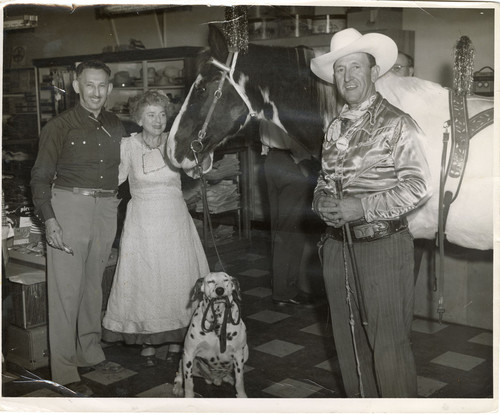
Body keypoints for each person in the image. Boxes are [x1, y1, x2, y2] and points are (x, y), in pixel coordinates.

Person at [310, 28, 431, 398]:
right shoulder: (334, 127)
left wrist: (360, 207)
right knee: (348, 347)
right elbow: (322, 180)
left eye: (356, 67)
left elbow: (418, 187)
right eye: (340, 70)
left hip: (382, 247)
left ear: (374, 72)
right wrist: (320, 202)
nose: (347, 77)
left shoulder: (398, 123)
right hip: (336, 248)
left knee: (389, 348)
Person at [30, 60, 126, 396]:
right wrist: (50, 219)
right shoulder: (59, 126)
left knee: (93, 285)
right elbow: (40, 177)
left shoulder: (116, 125)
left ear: (110, 89)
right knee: (65, 291)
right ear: (76, 87)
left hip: (106, 207)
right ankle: (64, 368)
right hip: (69, 206)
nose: (96, 92)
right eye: (89, 85)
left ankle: (89, 351)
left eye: (102, 86)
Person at [102, 90, 210, 365]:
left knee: (176, 278)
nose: (158, 120)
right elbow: (114, 178)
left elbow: (195, 170)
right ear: (139, 118)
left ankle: (176, 339)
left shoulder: (176, 143)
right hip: (141, 220)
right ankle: (148, 339)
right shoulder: (128, 146)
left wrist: (205, 150)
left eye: (162, 114)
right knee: (146, 280)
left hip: (174, 219)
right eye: (151, 114)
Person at [260, 121, 323, 306]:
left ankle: (280, 288)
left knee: (279, 229)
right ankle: (286, 291)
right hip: (292, 161)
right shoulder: (287, 101)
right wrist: (304, 163)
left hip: (271, 160)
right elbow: (297, 137)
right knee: (292, 230)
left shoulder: (267, 97)